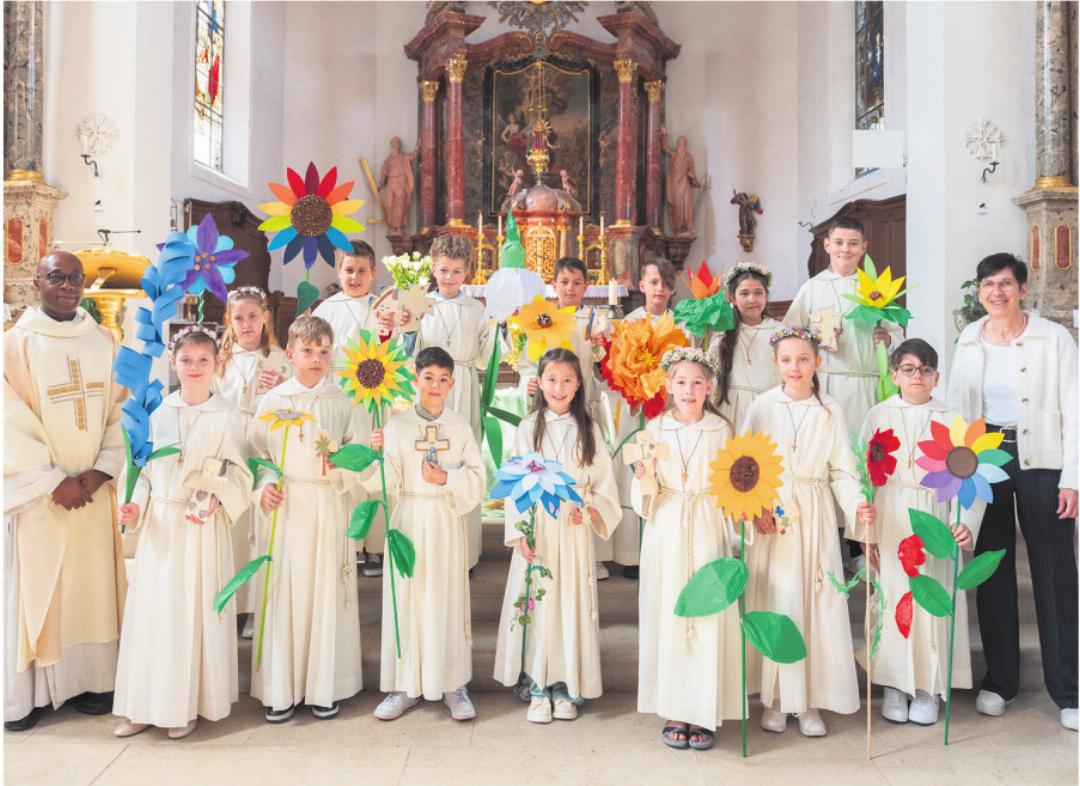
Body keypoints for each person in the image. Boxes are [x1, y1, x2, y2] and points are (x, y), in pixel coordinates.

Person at [946, 252, 1078, 731]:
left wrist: (1072, 478)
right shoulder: (968, 338)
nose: (996, 292)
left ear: (1023, 289)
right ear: (979, 292)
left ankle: (1068, 690)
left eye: (1005, 284)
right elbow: (958, 410)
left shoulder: (1053, 338)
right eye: (988, 284)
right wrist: (959, 477)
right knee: (992, 568)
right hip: (985, 458)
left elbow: (1075, 408)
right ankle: (1000, 682)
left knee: (1055, 572)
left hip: (1043, 459)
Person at [4, 251, 126, 732]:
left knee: (91, 588)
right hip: (41, 495)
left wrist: (102, 470)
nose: (67, 285)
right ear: (37, 282)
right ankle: (32, 693)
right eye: (56, 276)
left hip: (91, 493)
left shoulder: (105, 341)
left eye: (75, 277)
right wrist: (53, 480)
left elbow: (119, 411)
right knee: (42, 589)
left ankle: (94, 681)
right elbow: (7, 419)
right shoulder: (14, 345)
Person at [113, 327, 253, 739]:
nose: (194, 367)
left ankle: (187, 704)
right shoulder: (156, 412)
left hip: (200, 530)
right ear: (173, 363)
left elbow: (241, 474)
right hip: (161, 527)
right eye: (186, 360)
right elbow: (140, 472)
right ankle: (142, 705)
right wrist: (134, 504)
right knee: (152, 616)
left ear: (216, 364)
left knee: (191, 615)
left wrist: (217, 497)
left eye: (203, 360)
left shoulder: (228, 416)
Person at [742, 327, 876, 737]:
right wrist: (754, 507)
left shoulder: (830, 409)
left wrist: (857, 504)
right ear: (775, 364)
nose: (795, 367)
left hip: (814, 513)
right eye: (786, 360)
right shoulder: (761, 407)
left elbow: (842, 470)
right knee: (779, 602)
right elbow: (743, 467)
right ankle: (777, 697)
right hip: (773, 516)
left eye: (803, 359)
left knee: (814, 604)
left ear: (818, 361)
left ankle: (810, 701)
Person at [493, 349, 620, 723]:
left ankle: (566, 685)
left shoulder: (590, 429)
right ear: (540, 383)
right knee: (541, 606)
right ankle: (538, 684)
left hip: (573, 528)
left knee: (570, 604)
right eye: (552, 380)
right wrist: (520, 533)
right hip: (539, 529)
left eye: (567, 380)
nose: (559, 387)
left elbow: (604, 484)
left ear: (579, 384)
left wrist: (590, 507)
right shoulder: (527, 427)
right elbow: (514, 483)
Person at [249, 316, 365, 723]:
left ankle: (324, 687)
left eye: (324, 352)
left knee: (326, 591)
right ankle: (280, 688)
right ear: (291, 353)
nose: (316, 359)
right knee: (285, 592)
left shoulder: (343, 399)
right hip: (286, 507)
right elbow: (257, 455)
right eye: (308, 351)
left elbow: (360, 453)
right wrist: (265, 486)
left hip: (328, 504)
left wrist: (341, 469)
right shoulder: (273, 401)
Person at [631, 347, 743, 750]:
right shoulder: (655, 428)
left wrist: (738, 525)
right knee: (670, 613)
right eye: (681, 382)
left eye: (697, 382)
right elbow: (645, 493)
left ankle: (703, 709)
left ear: (709, 386)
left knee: (707, 613)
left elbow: (734, 482)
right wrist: (643, 478)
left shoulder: (722, 430)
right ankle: (676, 709)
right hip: (667, 526)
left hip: (708, 523)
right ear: (668, 385)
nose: (689, 390)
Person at [862, 338, 975, 726]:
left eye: (925, 370)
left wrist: (966, 520)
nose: (917, 377)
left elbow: (971, 474)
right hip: (891, 512)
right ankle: (895, 683)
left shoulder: (952, 418)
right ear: (894, 375)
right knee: (894, 595)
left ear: (936, 377)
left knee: (930, 595)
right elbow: (864, 474)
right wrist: (866, 534)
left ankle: (928, 686)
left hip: (935, 512)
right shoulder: (877, 414)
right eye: (908, 369)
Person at [368, 347, 485, 722]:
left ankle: (453, 684)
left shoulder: (460, 426)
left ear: (452, 383)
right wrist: (374, 457)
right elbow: (384, 481)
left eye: (443, 379)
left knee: (445, 598)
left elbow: (478, 479)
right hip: (408, 519)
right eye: (428, 378)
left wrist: (446, 477)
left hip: (445, 520)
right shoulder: (397, 426)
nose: (435, 385)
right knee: (407, 599)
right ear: (415, 380)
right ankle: (404, 686)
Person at [519, 258, 611, 578]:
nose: (570, 288)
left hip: (585, 402)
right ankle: (540, 538)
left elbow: (603, 366)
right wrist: (530, 381)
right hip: (551, 401)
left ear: (587, 286)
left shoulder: (595, 319)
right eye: (564, 282)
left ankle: (592, 549)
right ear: (554, 285)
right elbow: (528, 360)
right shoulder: (544, 317)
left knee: (586, 472)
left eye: (576, 282)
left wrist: (600, 349)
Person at [410, 234, 493, 570]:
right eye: (443, 270)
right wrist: (405, 328)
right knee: (426, 457)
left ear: (467, 272)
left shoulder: (476, 309)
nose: (449, 277)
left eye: (457, 271)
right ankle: (426, 548)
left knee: (460, 459)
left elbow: (486, 356)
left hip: (463, 386)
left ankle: (464, 552)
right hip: (428, 389)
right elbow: (407, 352)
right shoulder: (418, 302)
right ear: (433, 268)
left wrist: (500, 327)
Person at [212, 286, 289, 637]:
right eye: (239, 318)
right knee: (233, 528)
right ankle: (234, 606)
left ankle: (260, 608)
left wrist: (282, 386)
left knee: (260, 529)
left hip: (262, 442)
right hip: (229, 443)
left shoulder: (278, 358)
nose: (246, 324)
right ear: (229, 320)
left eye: (253, 316)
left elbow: (292, 403)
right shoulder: (219, 360)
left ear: (265, 317)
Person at [313, 240, 393, 578]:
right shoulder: (325, 309)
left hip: (371, 395)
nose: (355, 277)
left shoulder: (383, 307)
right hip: (335, 393)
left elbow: (394, 348)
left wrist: (389, 331)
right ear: (338, 271)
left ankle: (374, 546)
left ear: (373, 273)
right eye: (349, 270)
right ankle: (344, 543)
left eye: (362, 271)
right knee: (340, 463)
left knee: (370, 465)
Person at [784, 216, 903, 432]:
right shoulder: (811, 287)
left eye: (853, 243)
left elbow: (898, 337)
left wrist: (888, 339)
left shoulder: (877, 289)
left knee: (863, 444)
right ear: (827, 245)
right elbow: (788, 337)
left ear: (864, 247)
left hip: (866, 386)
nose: (845, 249)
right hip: (825, 383)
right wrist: (815, 338)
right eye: (838, 242)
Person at [605, 258, 679, 580]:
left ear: (673, 289)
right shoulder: (628, 323)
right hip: (635, 406)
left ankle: (662, 551)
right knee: (634, 473)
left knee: (664, 473)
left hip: (667, 409)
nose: (659, 289)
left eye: (665, 283)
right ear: (642, 286)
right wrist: (634, 387)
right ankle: (631, 554)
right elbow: (615, 367)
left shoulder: (680, 326)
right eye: (654, 282)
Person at [714, 262, 782, 430]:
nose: (752, 299)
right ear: (733, 299)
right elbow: (710, 373)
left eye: (758, 293)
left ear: (766, 296)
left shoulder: (779, 332)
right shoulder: (723, 331)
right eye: (744, 293)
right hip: (730, 409)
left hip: (767, 410)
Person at [378, 136, 418, 236]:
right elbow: (384, 173)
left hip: (401, 181)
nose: (396, 143)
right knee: (390, 204)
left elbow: (413, 156)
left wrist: (418, 147)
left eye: (397, 142)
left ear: (399, 145)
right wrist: (381, 185)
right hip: (391, 181)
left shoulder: (403, 157)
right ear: (391, 144)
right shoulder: (389, 159)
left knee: (399, 204)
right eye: (394, 141)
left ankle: (398, 227)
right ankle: (392, 226)